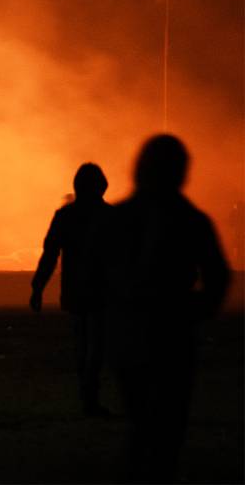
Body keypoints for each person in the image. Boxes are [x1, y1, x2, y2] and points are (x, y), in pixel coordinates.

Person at [108, 134, 229, 482]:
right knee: (168, 424)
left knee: (140, 420)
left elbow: (98, 272)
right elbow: (217, 278)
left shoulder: (119, 217)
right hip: (173, 334)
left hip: (130, 332)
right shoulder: (191, 219)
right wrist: (194, 311)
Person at [30, 163, 112, 417]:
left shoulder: (65, 216)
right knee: (96, 346)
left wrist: (38, 287)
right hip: (102, 290)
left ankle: (86, 396)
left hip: (76, 288)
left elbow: (50, 254)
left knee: (82, 344)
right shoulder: (110, 216)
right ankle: (91, 397)